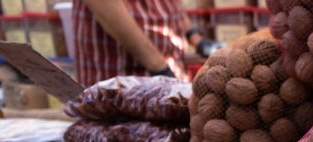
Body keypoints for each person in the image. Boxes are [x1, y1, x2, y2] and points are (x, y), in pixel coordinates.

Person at [72, 0, 221, 86]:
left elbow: (170, 5)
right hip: (122, 85)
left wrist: (195, 37)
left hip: (171, 78)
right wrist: (158, 67)